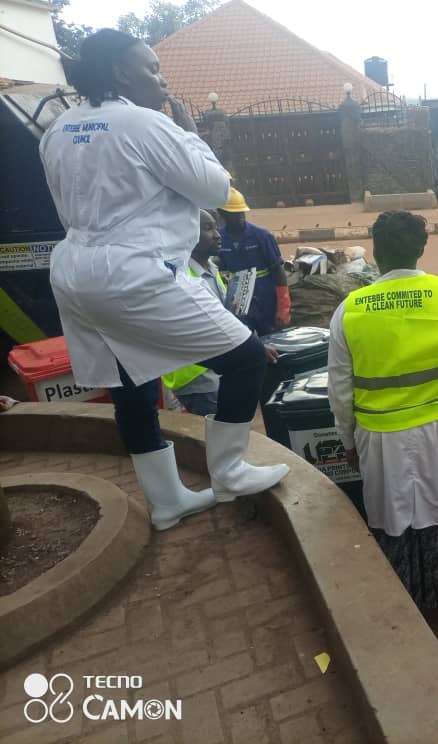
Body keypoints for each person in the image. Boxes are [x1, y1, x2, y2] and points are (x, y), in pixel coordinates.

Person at [39, 29, 288, 532]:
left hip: (74, 271)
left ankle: (168, 499)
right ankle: (230, 470)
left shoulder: (59, 129)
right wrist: (191, 133)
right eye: (151, 68)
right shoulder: (142, 123)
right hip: (133, 273)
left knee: (130, 381)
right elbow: (216, 188)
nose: (162, 78)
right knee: (243, 360)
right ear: (119, 73)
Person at [327, 211, 438, 618]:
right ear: (421, 249)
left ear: (376, 251)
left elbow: (340, 392)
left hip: (383, 437)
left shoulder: (348, 311)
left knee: (400, 519)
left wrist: (348, 441)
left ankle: (411, 600)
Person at [162, 209, 227, 416]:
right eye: (208, 228)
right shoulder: (181, 277)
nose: (217, 235)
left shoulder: (210, 269)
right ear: (187, 234)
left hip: (214, 369)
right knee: (218, 439)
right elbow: (210, 324)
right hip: (197, 375)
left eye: (216, 227)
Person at [217, 188, 291, 336]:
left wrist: (283, 307)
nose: (240, 218)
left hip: (265, 295)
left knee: (272, 337)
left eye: (241, 213)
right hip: (237, 296)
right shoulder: (219, 238)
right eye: (234, 214)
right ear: (222, 214)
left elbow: (278, 271)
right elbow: (221, 266)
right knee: (243, 337)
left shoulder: (261, 236)